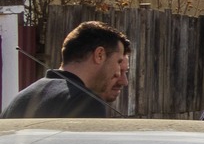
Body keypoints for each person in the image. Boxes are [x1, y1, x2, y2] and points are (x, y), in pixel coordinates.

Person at [2, 20, 130, 118]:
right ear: (99, 55)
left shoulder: (18, 100)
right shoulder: (85, 102)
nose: (118, 73)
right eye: (118, 62)